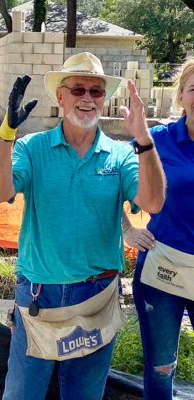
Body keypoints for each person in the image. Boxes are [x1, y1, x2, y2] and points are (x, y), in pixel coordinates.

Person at [0, 51, 165, 400]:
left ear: (104, 99)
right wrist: (6, 132)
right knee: (22, 394)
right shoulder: (32, 148)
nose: (87, 98)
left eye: (96, 92)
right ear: (61, 96)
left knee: (83, 395)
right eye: (78, 89)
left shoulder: (121, 154)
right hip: (40, 294)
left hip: (95, 296)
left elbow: (154, 202)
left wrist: (144, 139)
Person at [121, 58, 194, 400]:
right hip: (163, 271)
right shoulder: (159, 141)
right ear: (181, 96)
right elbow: (107, 177)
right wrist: (126, 230)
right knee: (161, 369)